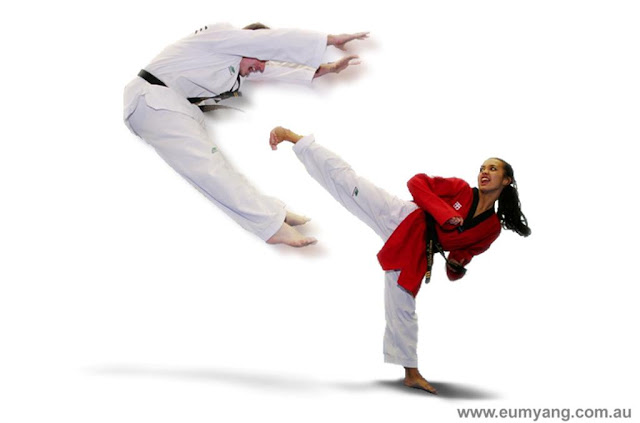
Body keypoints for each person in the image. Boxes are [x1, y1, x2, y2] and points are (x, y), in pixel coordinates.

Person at [268, 126, 531, 394]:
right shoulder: (461, 189)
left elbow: (465, 253)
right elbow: (417, 183)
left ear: (506, 180)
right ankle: (296, 139)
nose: (484, 172)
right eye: (483, 168)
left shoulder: (491, 229)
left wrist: (456, 267)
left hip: (416, 251)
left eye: (493, 169)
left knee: (402, 308)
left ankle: (411, 373)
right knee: (348, 182)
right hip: (401, 216)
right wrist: (443, 213)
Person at [123, 23, 368, 247]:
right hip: (153, 100)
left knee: (215, 170)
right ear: (249, 41)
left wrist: (328, 68)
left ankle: (273, 215)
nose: (260, 66)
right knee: (210, 169)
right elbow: (272, 42)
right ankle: (271, 225)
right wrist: (329, 39)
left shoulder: (230, 60)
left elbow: (274, 70)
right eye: (260, 57)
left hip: (159, 105)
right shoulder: (221, 37)